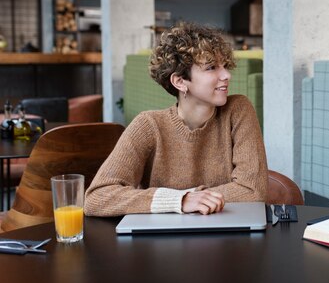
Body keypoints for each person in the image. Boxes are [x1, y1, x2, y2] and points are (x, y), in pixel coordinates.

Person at [85, 22, 268, 216]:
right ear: (180, 81)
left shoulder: (238, 110)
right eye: (211, 67)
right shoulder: (148, 125)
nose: (226, 75)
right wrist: (179, 201)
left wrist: (194, 200)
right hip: (164, 241)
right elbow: (97, 197)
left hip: (228, 236)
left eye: (224, 66)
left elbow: (252, 190)